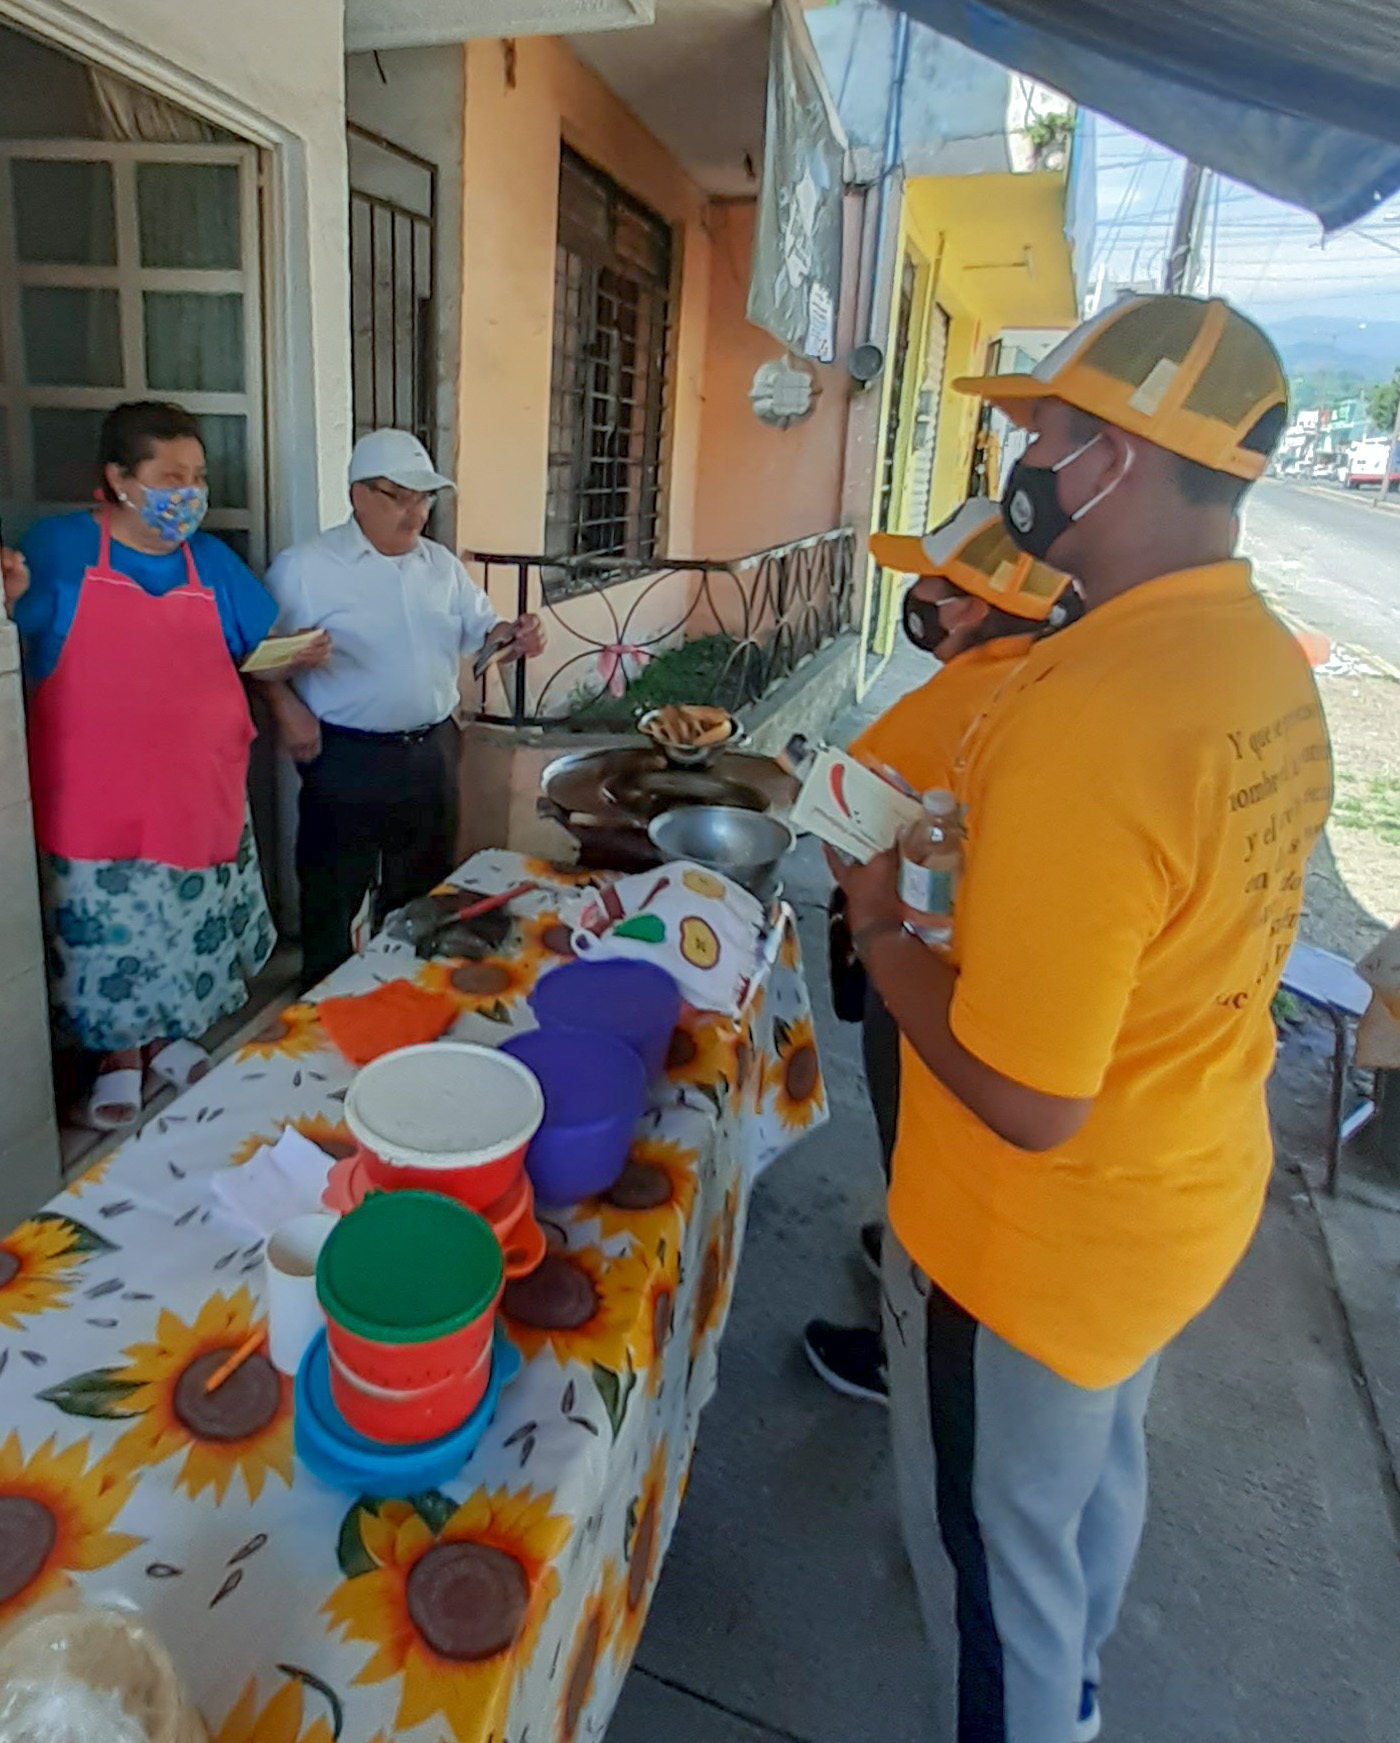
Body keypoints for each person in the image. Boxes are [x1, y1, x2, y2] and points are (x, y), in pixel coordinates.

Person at [826, 295, 1333, 1743]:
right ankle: (1084, 1694)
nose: (1024, 452)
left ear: (1119, 454)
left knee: (992, 1570)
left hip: (1031, 1239)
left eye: (1048, 427)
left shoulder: (1102, 704)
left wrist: (873, 921)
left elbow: (1025, 1090)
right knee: (1086, 1491)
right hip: (1172, 1193)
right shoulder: (1250, 659)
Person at [806, 500, 1075, 1405]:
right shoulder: (1054, 678)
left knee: (919, 1139)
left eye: (932, 581)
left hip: (926, 973)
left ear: (968, 607)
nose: (915, 594)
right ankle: (912, 1254)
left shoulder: (951, 704)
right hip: (1005, 973)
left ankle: (906, 1345)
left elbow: (838, 813)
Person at [14, 400, 328, 1129]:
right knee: (108, 931)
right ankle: (117, 1057)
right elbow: (12, 633)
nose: (188, 491)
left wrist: (292, 679)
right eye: (170, 475)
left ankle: (166, 1038)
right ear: (119, 478)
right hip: (91, 789)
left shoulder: (210, 561)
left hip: (198, 787)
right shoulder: (59, 551)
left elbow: (255, 655)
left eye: (197, 475)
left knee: (187, 923)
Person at [264, 429, 545, 991]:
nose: (415, 510)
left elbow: (479, 630)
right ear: (358, 495)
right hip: (346, 754)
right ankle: (324, 1009)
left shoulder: (440, 566)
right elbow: (258, 657)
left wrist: (513, 633)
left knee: (423, 891)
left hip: (433, 749)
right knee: (333, 892)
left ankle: (410, 1002)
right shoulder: (305, 567)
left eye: (424, 496)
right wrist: (284, 701)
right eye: (398, 495)